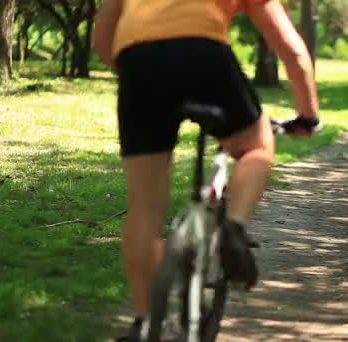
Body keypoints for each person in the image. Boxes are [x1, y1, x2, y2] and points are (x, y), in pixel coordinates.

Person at [93, 0, 320, 339]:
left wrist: (140, 72)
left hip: (138, 62)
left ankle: (144, 325)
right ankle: (234, 228)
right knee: (256, 146)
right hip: (204, 53)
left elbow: (101, 40)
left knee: (144, 212)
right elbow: (292, 50)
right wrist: (308, 114)